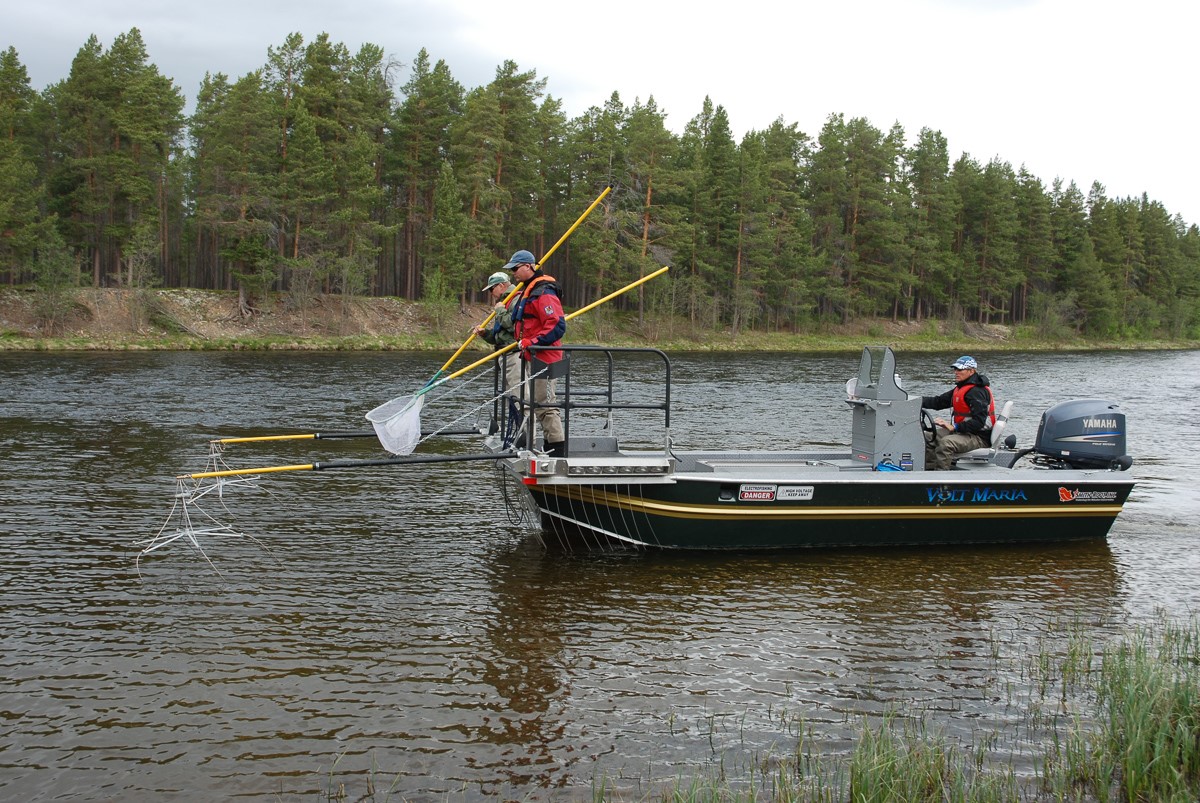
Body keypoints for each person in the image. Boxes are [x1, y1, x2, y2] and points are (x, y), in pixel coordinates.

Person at [504, 249, 567, 457]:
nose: (513, 273)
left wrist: (533, 341)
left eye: (516, 268)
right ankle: (550, 447)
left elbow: (557, 325)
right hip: (535, 357)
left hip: (547, 357)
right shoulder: (530, 291)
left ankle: (557, 450)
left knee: (546, 404)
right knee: (539, 403)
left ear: (528, 266)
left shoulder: (544, 292)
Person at [920, 355, 996, 470]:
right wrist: (912, 400)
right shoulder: (961, 388)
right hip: (963, 433)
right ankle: (929, 471)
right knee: (927, 437)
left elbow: (979, 422)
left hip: (979, 437)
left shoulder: (977, 392)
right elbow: (937, 402)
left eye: (960, 370)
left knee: (946, 443)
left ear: (971, 371)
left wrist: (954, 427)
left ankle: (940, 480)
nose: (956, 372)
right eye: (955, 369)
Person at [475, 271, 522, 439]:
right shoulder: (504, 302)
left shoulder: (515, 298)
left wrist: (500, 311)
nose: (490, 293)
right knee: (511, 397)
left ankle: (524, 435)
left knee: (519, 396)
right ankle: (516, 433)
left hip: (514, 354)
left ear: (501, 285)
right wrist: (484, 333)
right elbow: (499, 336)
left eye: (491, 289)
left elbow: (512, 325)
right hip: (505, 352)